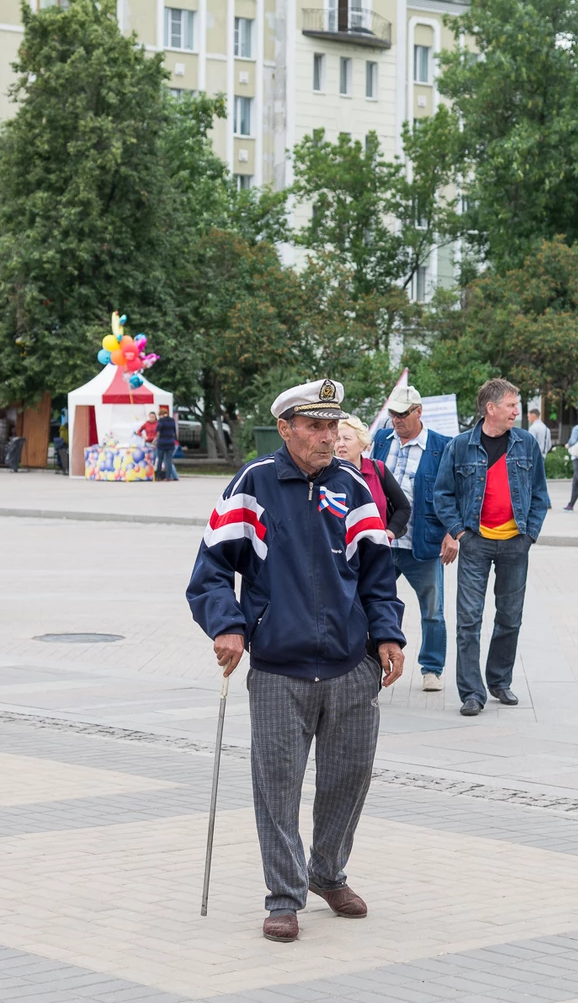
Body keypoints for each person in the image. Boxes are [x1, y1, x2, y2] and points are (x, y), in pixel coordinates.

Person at [187, 378, 404, 943]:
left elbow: (378, 574)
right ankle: (284, 897)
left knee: (347, 780)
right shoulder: (253, 484)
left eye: (333, 426)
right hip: (279, 668)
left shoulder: (353, 486)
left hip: (350, 666)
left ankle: (327, 873)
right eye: (315, 427)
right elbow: (210, 571)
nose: (328, 437)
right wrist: (228, 625)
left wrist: (387, 635)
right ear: (286, 429)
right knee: (277, 787)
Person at [433, 378, 550, 717]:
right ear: (491, 408)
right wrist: (460, 533)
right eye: (511, 405)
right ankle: (472, 692)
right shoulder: (460, 446)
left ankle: (499, 681)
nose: (517, 411)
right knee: (468, 620)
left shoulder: (526, 444)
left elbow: (540, 494)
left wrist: (529, 536)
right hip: (476, 543)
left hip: (516, 543)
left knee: (510, 618)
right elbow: (442, 494)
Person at [370, 384, 452, 692]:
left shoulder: (441, 446)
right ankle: (369, 663)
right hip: (382, 542)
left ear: (419, 412)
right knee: (369, 602)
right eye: (393, 413)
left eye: (403, 414)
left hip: (422, 543)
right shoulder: (381, 439)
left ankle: (432, 668)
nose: (396, 419)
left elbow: (453, 493)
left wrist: (451, 533)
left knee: (433, 610)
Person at [336, 416, 410, 540]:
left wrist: (388, 534)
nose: (341, 444)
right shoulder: (326, 474)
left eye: (347, 439)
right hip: (341, 549)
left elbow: (403, 507)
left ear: (362, 445)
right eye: (337, 439)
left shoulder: (377, 469)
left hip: (376, 549)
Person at [154, 405, 179, 481]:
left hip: (162, 442)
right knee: (168, 460)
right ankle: (168, 476)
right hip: (170, 442)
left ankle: (158, 476)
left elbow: (158, 430)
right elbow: (174, 431)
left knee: (160, 459)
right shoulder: (172, 420)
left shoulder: (161, 420)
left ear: (161, 414)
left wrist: (155, 440)